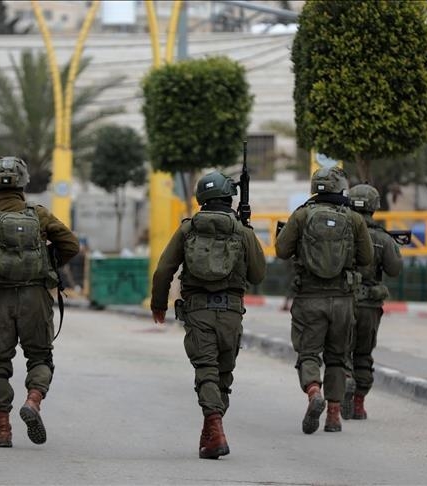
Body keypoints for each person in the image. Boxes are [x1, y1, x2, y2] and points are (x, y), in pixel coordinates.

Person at [0, 157, 79, 448]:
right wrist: (48, 264)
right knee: (40, 358)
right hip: (35, 297)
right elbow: (71, 245)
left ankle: (3, 431)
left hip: (0, 299)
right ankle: (33, 401)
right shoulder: (39, 215)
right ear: (24, 181)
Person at [151, 171, 266, 459]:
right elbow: (258, 275)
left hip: (198, 311)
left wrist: (159, 304)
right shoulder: (242, 231)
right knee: (223, 374)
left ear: (201, 197)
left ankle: (213, 429)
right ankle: (214, 430)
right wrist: (247, 231)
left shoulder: (188, 229)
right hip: (231, 312)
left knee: (206, 371)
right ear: (230, 197)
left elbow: (164, 269)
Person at [275, 167, 372, 434]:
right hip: (343, 299)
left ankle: (313, 391)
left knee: (308, 353)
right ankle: (333, 415)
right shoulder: (354, 218)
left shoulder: (302, 215)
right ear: (341, 187)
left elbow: (281, 250)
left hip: (309, 298)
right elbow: (366, 258)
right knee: (337, 357)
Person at [342, 183, 402, 420]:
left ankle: (345, 380)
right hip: (369, 306)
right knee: (364, 355)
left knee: (341, 352)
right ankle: (358, 404)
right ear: (374, 207)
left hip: (343, 301)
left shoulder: (341, 232)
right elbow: (394, 269)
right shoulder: (382, 238)